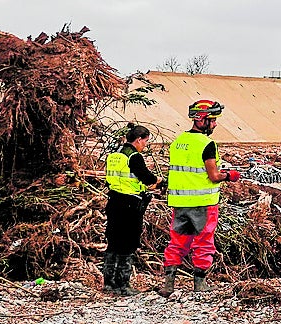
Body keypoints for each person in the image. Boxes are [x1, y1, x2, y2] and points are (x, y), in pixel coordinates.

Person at [160, 99, 241, 297]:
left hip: (179, 203)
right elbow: (213, 176)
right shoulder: (207, 144)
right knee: (203, 243)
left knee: (177, 242)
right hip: (203, 204)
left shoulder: (178, 142)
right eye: (212, 120)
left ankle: (168, 285)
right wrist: (229, 176)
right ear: (202, 119)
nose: (214, 124)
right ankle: (200, 284)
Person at [100, 124, 159, 295]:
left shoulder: (115, 155)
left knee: (113, 242)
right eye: (145, 141)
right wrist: (158, 181)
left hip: (113, 201)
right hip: (130, 204)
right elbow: (146, 177)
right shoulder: (134, 156)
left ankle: (108, 283)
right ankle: (123, 285)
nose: (145, 145)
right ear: (138, 139)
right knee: (128, 243)